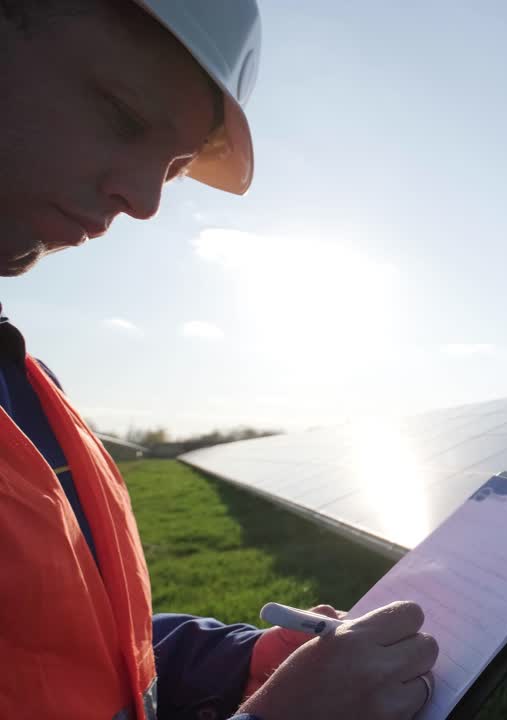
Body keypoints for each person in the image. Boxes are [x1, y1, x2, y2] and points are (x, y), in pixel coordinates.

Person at [0, 1, 438, 718]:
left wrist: (243, 662)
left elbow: (76, 658)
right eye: (123, 116)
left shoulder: (28, 387)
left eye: (170, 171)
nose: (142, 201)